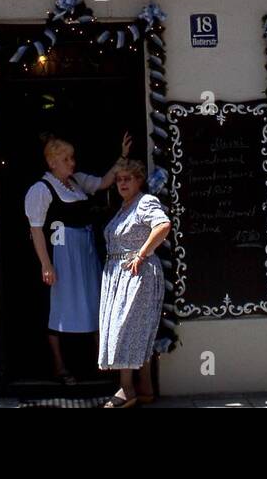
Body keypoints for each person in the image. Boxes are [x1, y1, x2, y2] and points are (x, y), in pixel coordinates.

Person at [25, 131, 133, 385]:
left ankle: (100, 363)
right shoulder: (42, 189)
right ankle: (60, 366)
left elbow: (105, 182)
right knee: (58, 307)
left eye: (72, 158)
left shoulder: (76, 181)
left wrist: (123, 156)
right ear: (52, 162)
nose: (71, 163)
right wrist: (46, 264)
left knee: (93, 302)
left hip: (83, 252)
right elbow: (36, 228)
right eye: (66, 159)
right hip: (61, 254)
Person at [98, 160, 172, 407]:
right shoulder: (124, 207)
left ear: (139, 180)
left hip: (136, 273)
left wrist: (141, 254)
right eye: (119, 179)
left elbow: (163, 225)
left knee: (126, 329)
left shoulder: (144, 202)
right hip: (118, 275)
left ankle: (127, 389)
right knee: (137, 330)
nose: (123, 183)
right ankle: (145, 387)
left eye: (128, 178)